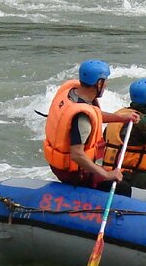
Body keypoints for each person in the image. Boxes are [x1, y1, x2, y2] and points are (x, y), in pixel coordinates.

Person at [42, 59, 140, 192]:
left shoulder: (72, 94)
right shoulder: (81, 116)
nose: (106, 85)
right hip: (73, 174)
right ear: (99, 83)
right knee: (122, 188)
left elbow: (95, 115)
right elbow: (77, 155)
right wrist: (106, 174)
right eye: (105, 81)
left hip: (57, 166)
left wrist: (120, 118)